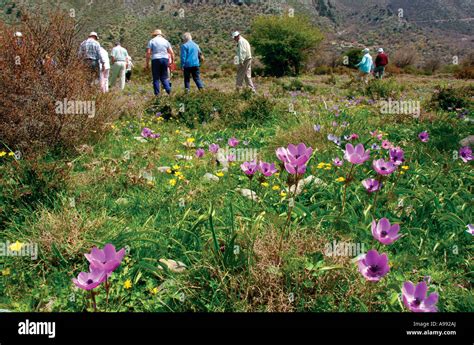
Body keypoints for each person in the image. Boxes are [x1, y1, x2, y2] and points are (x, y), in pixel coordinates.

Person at [145, 29, 175, 96]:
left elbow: (148, 53)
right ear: (161, 35)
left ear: (154, 35)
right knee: (164, 77)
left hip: (155, 59)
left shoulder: (151, 41)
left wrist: (147, 63)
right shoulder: (166, 41)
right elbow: (172, 53)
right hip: (165, 59)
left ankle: (157, 95)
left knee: (156, 78)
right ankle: (169, 91)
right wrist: (172, 62)